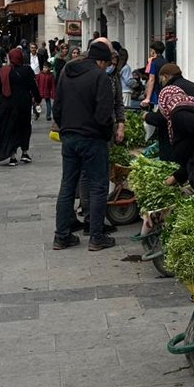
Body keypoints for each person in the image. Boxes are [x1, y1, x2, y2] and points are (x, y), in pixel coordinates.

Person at [52, 40, 116, 252]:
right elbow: (104, 113)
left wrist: (65, 128)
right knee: (98, 186)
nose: (107, 67)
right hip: (93, 138)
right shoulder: (100, 76)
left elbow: (57, 106)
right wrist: (105, 134)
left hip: (69, 137)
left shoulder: (67, 73)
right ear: (101, 61)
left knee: (67, 186)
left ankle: (62, 236)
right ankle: (96, 236)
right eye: (106, 64)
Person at [145, 63, 194, 163]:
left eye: (161, 79)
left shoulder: (170, 92)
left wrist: (147, 116)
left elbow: (164, 118)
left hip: (182, 141)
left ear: (165, 77)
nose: (161, 82)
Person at [0, 48, 40, 166]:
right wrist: (38, 99)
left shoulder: (5, 70)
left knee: (11, 128)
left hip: (8, 103)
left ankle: (12, 155)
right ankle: (24, 152)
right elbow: (33, 86)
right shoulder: (27, 70)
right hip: (24, 104)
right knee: (25, 127)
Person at [139, 40, 167, 109]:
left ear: (153, 51)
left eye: (151, 50)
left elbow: (151, 79)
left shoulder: (153, 63)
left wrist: (147, 98)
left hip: (155, 93)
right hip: (164, 93)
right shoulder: (166, 62)